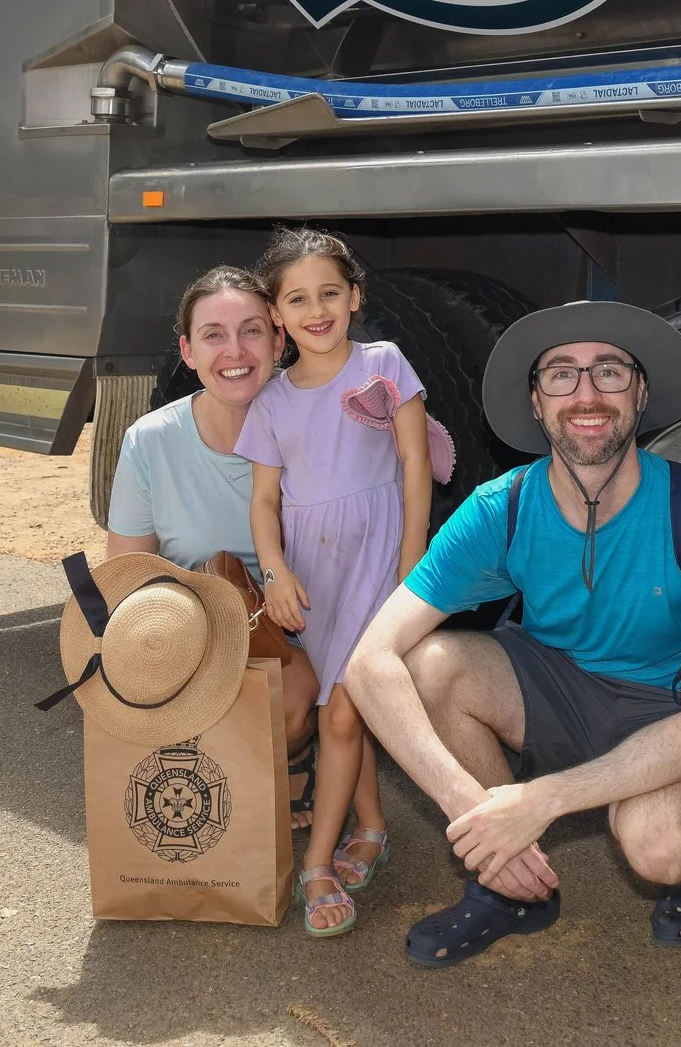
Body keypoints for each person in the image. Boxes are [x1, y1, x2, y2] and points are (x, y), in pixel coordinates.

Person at [345, 300, 681, 967]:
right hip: (562, 689)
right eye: (562, 374)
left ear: (641, 392)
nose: (587, 394)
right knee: (430, 665)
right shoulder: (503, 507)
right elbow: (368, 661)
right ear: (537, 403)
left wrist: (543, 799)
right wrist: (478, 811)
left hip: (676, 705)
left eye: (609, 371)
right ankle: (506, 886)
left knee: (661, 846)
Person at [240, 228, 435, 938]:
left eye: (329, 292)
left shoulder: (384, 364)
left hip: (380, 560)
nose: (315, 309)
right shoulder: (271, 401)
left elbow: (415, 463)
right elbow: (265, 500)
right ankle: (372, 825)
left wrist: (412, 560)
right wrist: (274, 571)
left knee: (343, 712)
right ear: (277, 314)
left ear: (355, 296)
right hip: (312, 574)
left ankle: (316, 863)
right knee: (339, 706)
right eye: (297, 299)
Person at [100, 266, 320, 829]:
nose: (235, 351)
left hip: (294, 628)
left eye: (252, 331)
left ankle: (293, 757)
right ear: (188, 352)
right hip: (191, 627)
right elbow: (126, 576)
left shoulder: (318, 427)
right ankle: (223, 780)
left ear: (279, 341)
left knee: (291, 701)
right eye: (213, 335)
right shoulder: (151, 440)